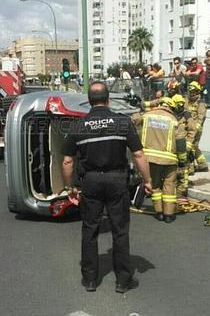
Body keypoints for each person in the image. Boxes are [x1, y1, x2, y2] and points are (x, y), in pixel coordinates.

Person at [61, 81, 152, 293]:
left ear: (89, 102)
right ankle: (123, 281)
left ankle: (90, 280)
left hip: (90, 182)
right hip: (117, 181)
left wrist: (70, 187)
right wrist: (147, 181)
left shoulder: (78, 126)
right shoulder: (123, 122)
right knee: (120, 231)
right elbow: (138, 154)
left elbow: (67, 161)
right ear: (108, 99)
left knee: (90, 229)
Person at [132, 97, 186, 223]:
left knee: (155, 185)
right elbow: (181, 143)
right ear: (171, 107)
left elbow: (133, 119)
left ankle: (159, 213)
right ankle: (168, 215)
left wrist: (144, 106)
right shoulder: (174, 120)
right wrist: (182, 160)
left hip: (151, 159)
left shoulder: (147, 115)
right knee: (169, 186)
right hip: (170, 161)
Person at [172, 94, 196, 197]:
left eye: (181, 105)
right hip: (172, 146)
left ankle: (182, 190)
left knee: (183, 167)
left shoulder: (187, 116)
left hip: (183, 146)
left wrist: (188, 146)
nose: (180, 107)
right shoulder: (170, 114)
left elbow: (192, 130)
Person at [185, 81, 208, 174]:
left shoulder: (201, 103)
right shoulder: (188, 101)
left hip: (196, 129)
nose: (190, 93)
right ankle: (202, 164)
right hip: (188, 127)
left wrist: (195, 129)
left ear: (197, 91)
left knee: (191, 147)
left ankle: (190, 168)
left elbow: (200, 118)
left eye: (192, 91)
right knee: (194, 146)